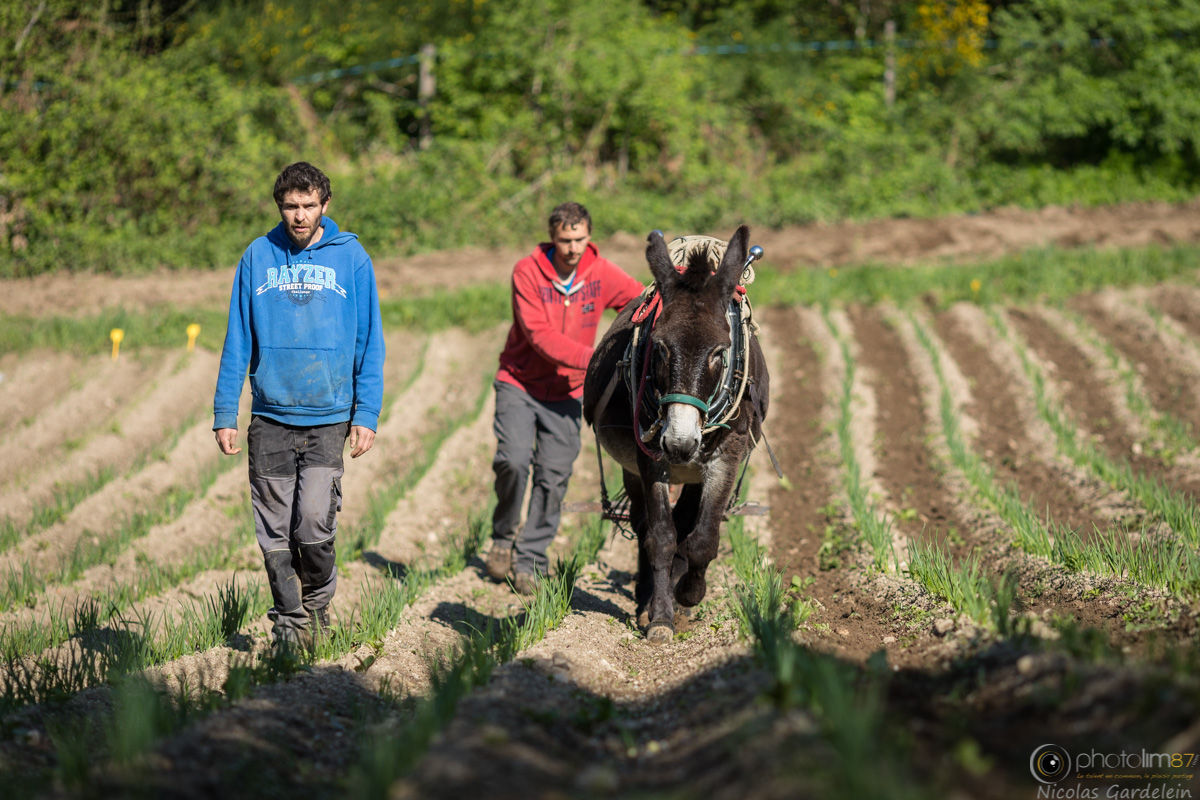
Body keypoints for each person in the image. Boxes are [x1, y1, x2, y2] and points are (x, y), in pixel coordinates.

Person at [212, 161, 385, 649]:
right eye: (291, 206)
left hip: (329, 416)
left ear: (325, 205)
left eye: (309, 205)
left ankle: (316, 609)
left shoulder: (352, 258)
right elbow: (238, 337)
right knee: (274, 532)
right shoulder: (257, 255)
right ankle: (290, 625)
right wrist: (225, 412)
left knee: (312, 523)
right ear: (279, 206)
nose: (300, 215)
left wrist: (366, 413)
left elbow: (369, 340)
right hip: (269, 417)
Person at [487, 202, 644, 594]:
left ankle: (530, 561)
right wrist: (599, 360)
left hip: (568, 393)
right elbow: (540, 336)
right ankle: (503, 536)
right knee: (512, 461)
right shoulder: (527, 272)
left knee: (553, 477)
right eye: (565, 240)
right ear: (552, 238)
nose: (573, 248)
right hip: (519, 384)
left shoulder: (601, 273)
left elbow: (642, 302)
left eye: (579, 239)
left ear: (589, 236)